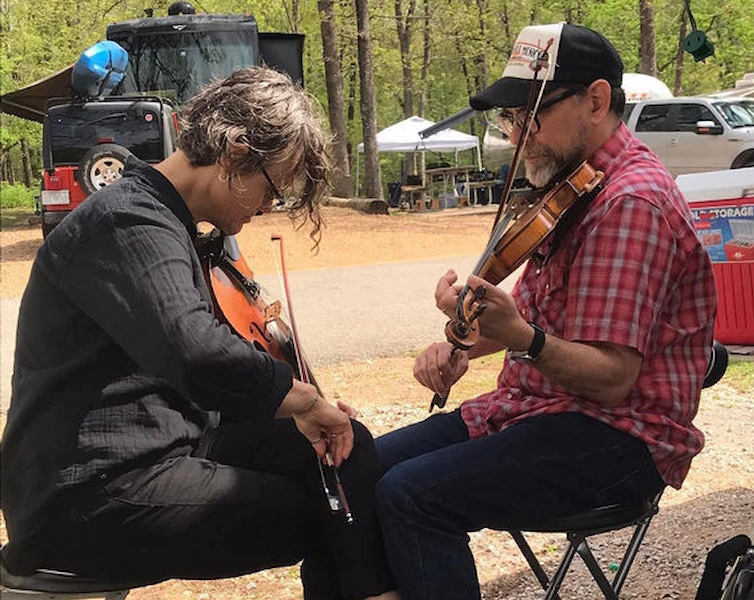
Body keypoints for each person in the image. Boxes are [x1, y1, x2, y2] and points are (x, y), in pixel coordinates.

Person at [1, 67, 398, 600]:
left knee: (344, 457)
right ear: (235, 155)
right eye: (271, 190)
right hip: (89, 494)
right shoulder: (127, 222)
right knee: (332, 511)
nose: (265, 208)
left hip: (159, 446)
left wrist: (298, 414)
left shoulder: (163, 220)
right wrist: (299, 398)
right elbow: (198, 355)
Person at [374, 22, 717, 600]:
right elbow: (550, 320)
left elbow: (612, 377)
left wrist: (522, 338)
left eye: (531, 115)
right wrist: (465, 343)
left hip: (619, 439)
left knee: (411, 494)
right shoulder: (574, 190)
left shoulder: (630, 203)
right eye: (509, 119)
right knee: (357, 473)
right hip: (536, 410)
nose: (516, 136)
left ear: (597, 100)